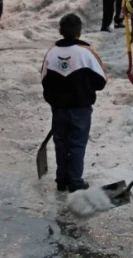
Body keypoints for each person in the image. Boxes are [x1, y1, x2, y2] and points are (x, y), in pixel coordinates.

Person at [41, 14, 106, 193]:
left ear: (60, 31)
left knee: (61, 143)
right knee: (77, 144)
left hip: (59, 110)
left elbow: (44, 80)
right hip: (80, 109)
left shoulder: (51, 54)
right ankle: (75, 182)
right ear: (79, 32)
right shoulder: (86, 54)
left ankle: (61, 180)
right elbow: (101, 81)